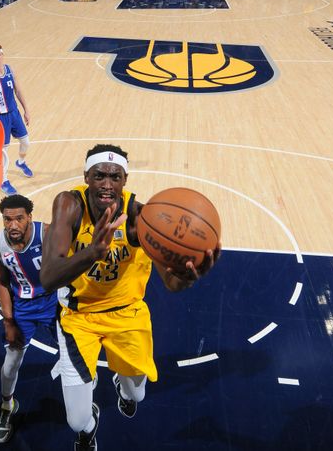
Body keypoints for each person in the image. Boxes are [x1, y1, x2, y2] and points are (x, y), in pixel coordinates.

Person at [40, 144, 219, 451]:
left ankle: (122, 388)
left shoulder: (140, 217)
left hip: (128, 315)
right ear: (86, 177)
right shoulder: (69, 205)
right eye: (99, 176)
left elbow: (171, 284)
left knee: (137, 396)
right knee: (76, 421)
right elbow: (48, 278)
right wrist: (93, 253)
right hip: (79, 320)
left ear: (124, 180)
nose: (106, 184)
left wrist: (188, 277)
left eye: (114, 176)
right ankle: (90, 425)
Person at [0, 194, 57, 444]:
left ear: (30, 217)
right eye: (7, 219)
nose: (13, 225)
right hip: (22, 309)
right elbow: (2, 281)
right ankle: (7, 406)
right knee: (10, 364)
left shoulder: (47, 234)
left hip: (53, 302)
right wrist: (8, 321)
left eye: (19, 218)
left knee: (76, 356)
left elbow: (68, 266)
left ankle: (83, 405)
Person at [0, 43, 33, 196]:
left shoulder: (10, 70)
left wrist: (26, 110)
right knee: (4, 152)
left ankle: (21, 162)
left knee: (26, 142)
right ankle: (3, 180)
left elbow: (18, 90)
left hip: (14, 113)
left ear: (2, 55)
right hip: (0, 118)